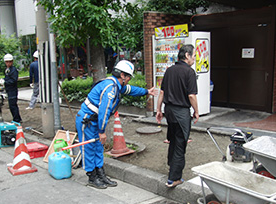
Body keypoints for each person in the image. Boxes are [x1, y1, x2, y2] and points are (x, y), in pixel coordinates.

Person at [75, 60, 157, 189]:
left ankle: (100, 175)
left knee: (98, 147)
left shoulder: (115, 84)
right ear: (123, 75)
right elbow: (104, 111)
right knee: (89, 148)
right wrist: (102, 131)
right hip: (87, 120)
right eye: (129, 76)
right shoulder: (111, 88)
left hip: (93, 119)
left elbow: (130, 90)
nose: (129, 79)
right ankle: (92, 177)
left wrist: (146, 92)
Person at [156, 44, 199, 188]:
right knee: (181, 143)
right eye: (193, 56)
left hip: (169, 110)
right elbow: (191, 96)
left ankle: (171, 164)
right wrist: (196, 111)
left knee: (173, 139)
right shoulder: (190, 72)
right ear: (187, 55)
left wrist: (158, 110)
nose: (194, 59)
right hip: (181, 112)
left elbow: (162, 92)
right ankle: (174, 178)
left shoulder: (169, 70)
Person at [2, 53, 22, 123]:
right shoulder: (7, 70)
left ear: (12, 62)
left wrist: (5, 82)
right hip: (9, 89)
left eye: (9, 62)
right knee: (12, 105)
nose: (8, 63)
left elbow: (13, 80)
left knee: (13, 105)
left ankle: (16, 119)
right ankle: (17, 118)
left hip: (12, 90)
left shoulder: (13, 70)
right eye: (7, 62)